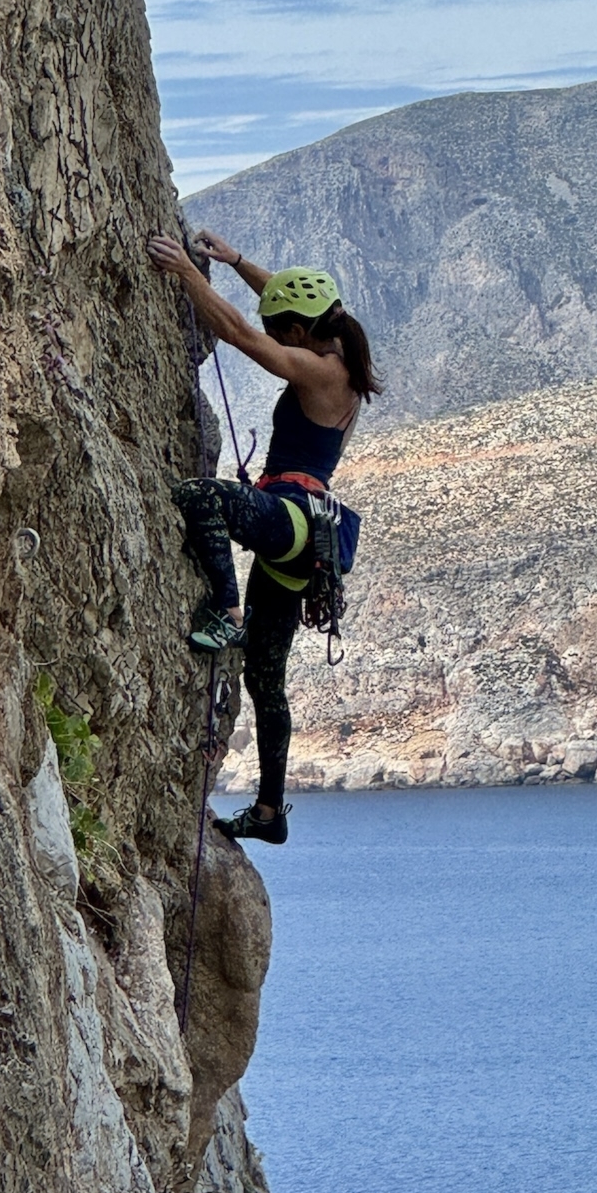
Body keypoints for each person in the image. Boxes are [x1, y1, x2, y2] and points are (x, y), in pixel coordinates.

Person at [148, 229, 382, 844]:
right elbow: (284, 312)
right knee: (264, 680)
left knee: (203, 496)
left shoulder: (319, 370)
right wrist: (238, 264)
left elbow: (246, 336)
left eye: (287, 331)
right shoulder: (335, 345)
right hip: (309, 539)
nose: (280, 335)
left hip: (295, 519)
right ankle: (271, 812)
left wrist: (188, 275)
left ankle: (226, 612)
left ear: (301, 336)